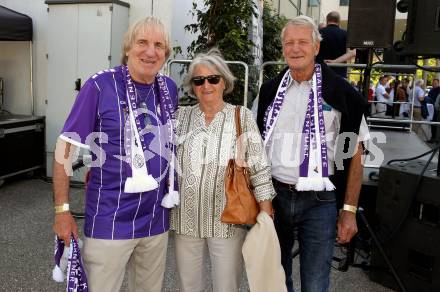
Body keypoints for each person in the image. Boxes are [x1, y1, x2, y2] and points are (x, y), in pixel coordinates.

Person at [52, 17, 179, 292]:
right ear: (128, 48)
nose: (150, 51)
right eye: (142, 42)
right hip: (110, 218)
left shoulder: (168, 89)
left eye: (159, 45)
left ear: (166, 54)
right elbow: (65, 146)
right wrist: (62, 210)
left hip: (156, 217)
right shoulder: (100, 86)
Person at [254, 16, 369, 292]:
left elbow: (356, 154)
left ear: (316, 48)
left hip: (320, 201)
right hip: (274, 198)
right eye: (289, 43)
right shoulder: (269, 91)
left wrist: (349, 212)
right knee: (275, 282)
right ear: (283, 48)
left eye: (303, 42)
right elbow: (253, 145)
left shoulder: (342, 93)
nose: (295, 48)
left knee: (316, 284)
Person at [170, 48, 276, 292]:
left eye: (213, 79)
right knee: (188, 286)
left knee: (226, 286)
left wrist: (265, 211)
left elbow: (259, 167)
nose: (206, 85)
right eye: (198, 80)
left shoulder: (242, 116)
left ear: (224, 82)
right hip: (186, 219)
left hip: (227, 219)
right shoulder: (179, 117)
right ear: (192, 86)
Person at [316, 11, 356, 78]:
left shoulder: (318, 33)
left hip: (320, 72)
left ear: (327, 20)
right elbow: (352, 53)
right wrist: (335, 61)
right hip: (339, 73)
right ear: (339, 21)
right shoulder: (346, 34)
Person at [426, 78, 439, 143]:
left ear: (438, 83)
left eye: (435, 83)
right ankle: (433, 137)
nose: (433, 84)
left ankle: (436, 138)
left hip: (437, 110)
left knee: (436, 124)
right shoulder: (431, 90)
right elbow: (428, 98)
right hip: (431, 109)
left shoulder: (439, 90)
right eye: (433, 83)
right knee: (432, 124)